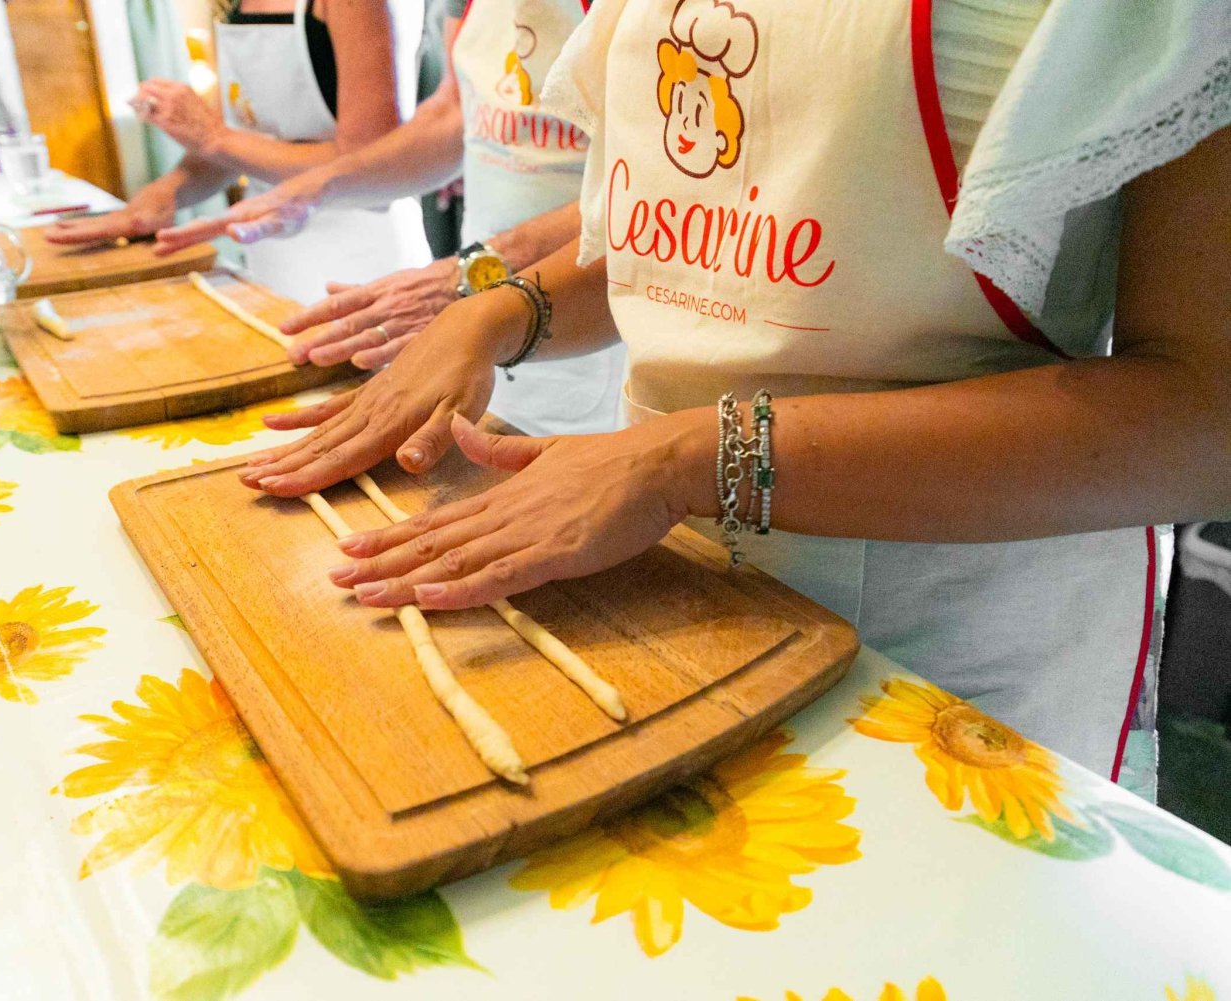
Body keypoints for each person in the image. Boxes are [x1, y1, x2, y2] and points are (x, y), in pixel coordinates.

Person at [232, 0, 1231, 781]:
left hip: (954, 656)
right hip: (669, 602)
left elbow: (1202, 419)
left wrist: (687, 459)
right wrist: (500, 311)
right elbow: (693, 237)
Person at [155, 0, 626, 437]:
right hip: (478, 311)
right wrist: (319, 187)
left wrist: (475, 272)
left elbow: (647, 186)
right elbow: (451, 115)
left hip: (595, 318)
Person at [45, 0, 427, 303]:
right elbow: (241, 142)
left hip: (359, 253)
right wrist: (162, 197)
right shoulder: (231, 4)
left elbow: (372, 158)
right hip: (268, 251)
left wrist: (213, 135)